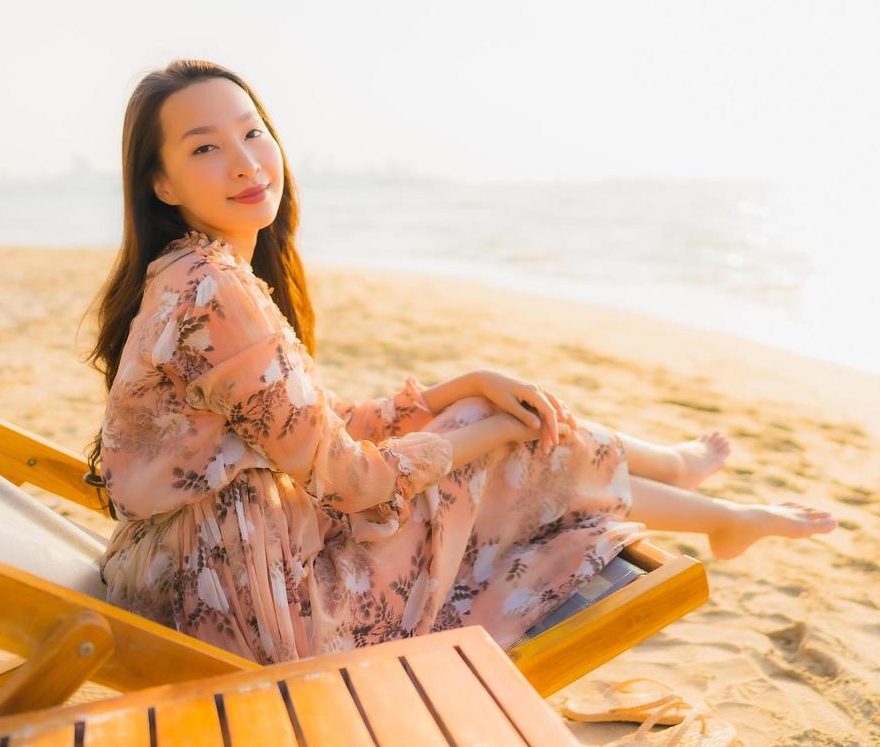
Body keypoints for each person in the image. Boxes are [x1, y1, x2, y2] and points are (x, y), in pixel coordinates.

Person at [82, 58, 837, 664]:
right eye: (205, 147)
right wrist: (484, 428)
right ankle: (697, 495)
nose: (246, 162)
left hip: (201, 575)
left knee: (481, 414)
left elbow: (318, 429)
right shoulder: (215, 290)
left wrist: (462, 387)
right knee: (498, 439)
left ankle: (698, 496)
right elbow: (352, 481)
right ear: (162, 183)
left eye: (253, 133)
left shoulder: (196, 272)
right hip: (245, 611)